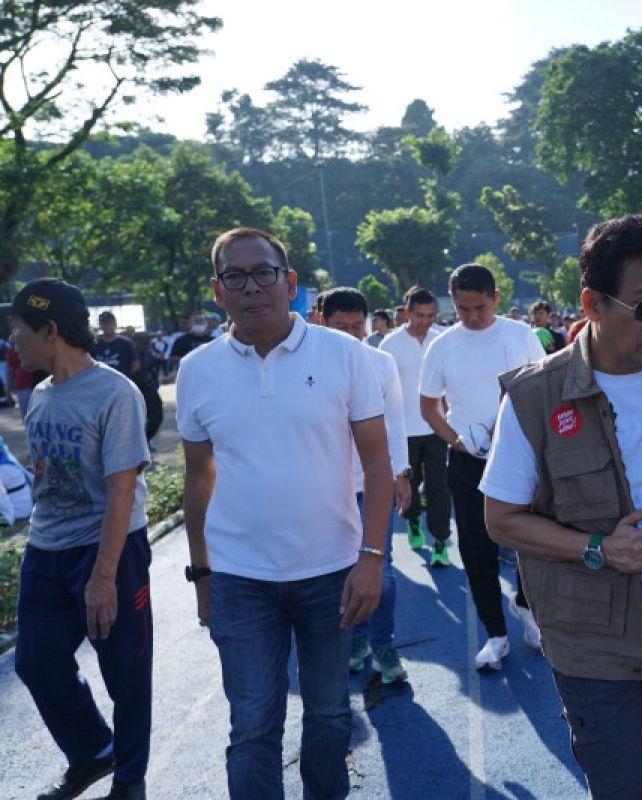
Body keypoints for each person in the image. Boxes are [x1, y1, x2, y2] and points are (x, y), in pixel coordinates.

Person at [481, 214, 642, 800]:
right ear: (591, 302)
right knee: (619, 785)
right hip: (590, 636)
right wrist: (597, 548)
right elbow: (500, 519)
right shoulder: (537, 396)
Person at [176, 227, 394, 800]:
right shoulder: (197, 370)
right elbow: (198, 480)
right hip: (239, 580)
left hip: (332, 576)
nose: (251, 286)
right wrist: (201, 577)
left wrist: (371, 559)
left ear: (290, 282)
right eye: (234, 276)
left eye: (264, 272)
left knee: (327, 717)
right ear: (217, 289)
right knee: (252, 726)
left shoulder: (346, 355)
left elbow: (377, 465)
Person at [10, 278, 152, 800]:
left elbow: (121, 489)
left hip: (110, 549)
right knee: (35, 661)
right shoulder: (40, 397)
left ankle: (129, 783)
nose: (13, 340)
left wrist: (104, 577)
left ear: (50, 330)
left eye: (19, 329)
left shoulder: (115, 392)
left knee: (125, 673)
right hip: (47, 550)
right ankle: (93, 750)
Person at [418, 263, 546, 670]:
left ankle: (528, 605)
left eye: (478, 307)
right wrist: (455, 439)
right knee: (477, 550)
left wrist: (508, 423)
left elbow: (544, 387)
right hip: (466, 460)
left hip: (521, 457)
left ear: (496, 298)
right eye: (461, 309)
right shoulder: (441, 346)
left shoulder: (520, 335)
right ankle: (495, 635)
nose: (471, 317)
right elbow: (428, 406)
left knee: (532, 540)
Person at [317, 287, 414, 685]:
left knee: (381, 569)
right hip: (323, 489)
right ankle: (355, 639)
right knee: (340, 570)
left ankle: (383, 643)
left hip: (372, 486)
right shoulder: (309, 363)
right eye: (341, 326)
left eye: (358, 326)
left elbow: (395, 422)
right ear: (321, 321)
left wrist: (401, 475)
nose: (352, 335)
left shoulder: (380, 362)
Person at [380, 287, 452, 565]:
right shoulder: (389, 345)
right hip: (403, 431)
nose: (426, 321)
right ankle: (412, 522)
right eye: (420, 315)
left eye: (431, 315)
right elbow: (384, 391)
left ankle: (440, 542)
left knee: (438, 488)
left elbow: (449, 383)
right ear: (407, 313)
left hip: (437, 427)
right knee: (411, 485)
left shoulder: (442, 340)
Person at [90, 311, 139, 381]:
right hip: (101, 384)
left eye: (109, 322)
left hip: (121, 385)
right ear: (100, 325)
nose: (107, 325)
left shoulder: (126, 343)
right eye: (104, 323)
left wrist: (125, 378)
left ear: (115, 324)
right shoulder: (94, 344)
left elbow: (135, 365)